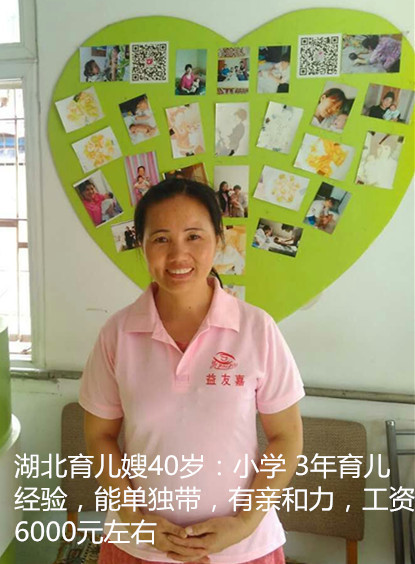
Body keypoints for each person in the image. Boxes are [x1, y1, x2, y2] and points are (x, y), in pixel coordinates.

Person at [80, 178, 304, 564]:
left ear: (219, 239)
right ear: (142, 245)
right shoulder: (117, 333)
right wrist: (134, 519)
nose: (178, 254)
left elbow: (286, 437)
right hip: (139, 546)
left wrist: (245, 523)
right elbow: (99, 436)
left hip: (242, 549)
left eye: (194, 236)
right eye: (161, 239)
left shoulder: (256, 329)